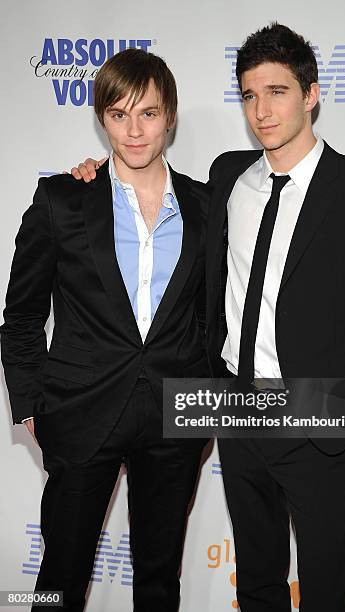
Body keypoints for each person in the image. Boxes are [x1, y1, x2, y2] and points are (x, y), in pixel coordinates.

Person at [71, 22, 345, 612]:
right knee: (256, 581)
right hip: (236, 405)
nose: (262, 110)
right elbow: (149, 185)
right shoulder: (229, 177)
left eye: (277, 92)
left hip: (318, 410)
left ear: (310, 95)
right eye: (250, 95)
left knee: (329, 587)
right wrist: (95, 177)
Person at [1, 48, 209, 612]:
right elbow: (20, 316)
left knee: (160, 577)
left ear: (170, 116)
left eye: (147, 113)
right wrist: (28, 403)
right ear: (101, 119)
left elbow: (210, 316)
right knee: (57, 580)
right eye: (118, 115)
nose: (134, 130)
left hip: (175, 416)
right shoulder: (63, 199)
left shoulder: (205, 205)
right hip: (79, 411)